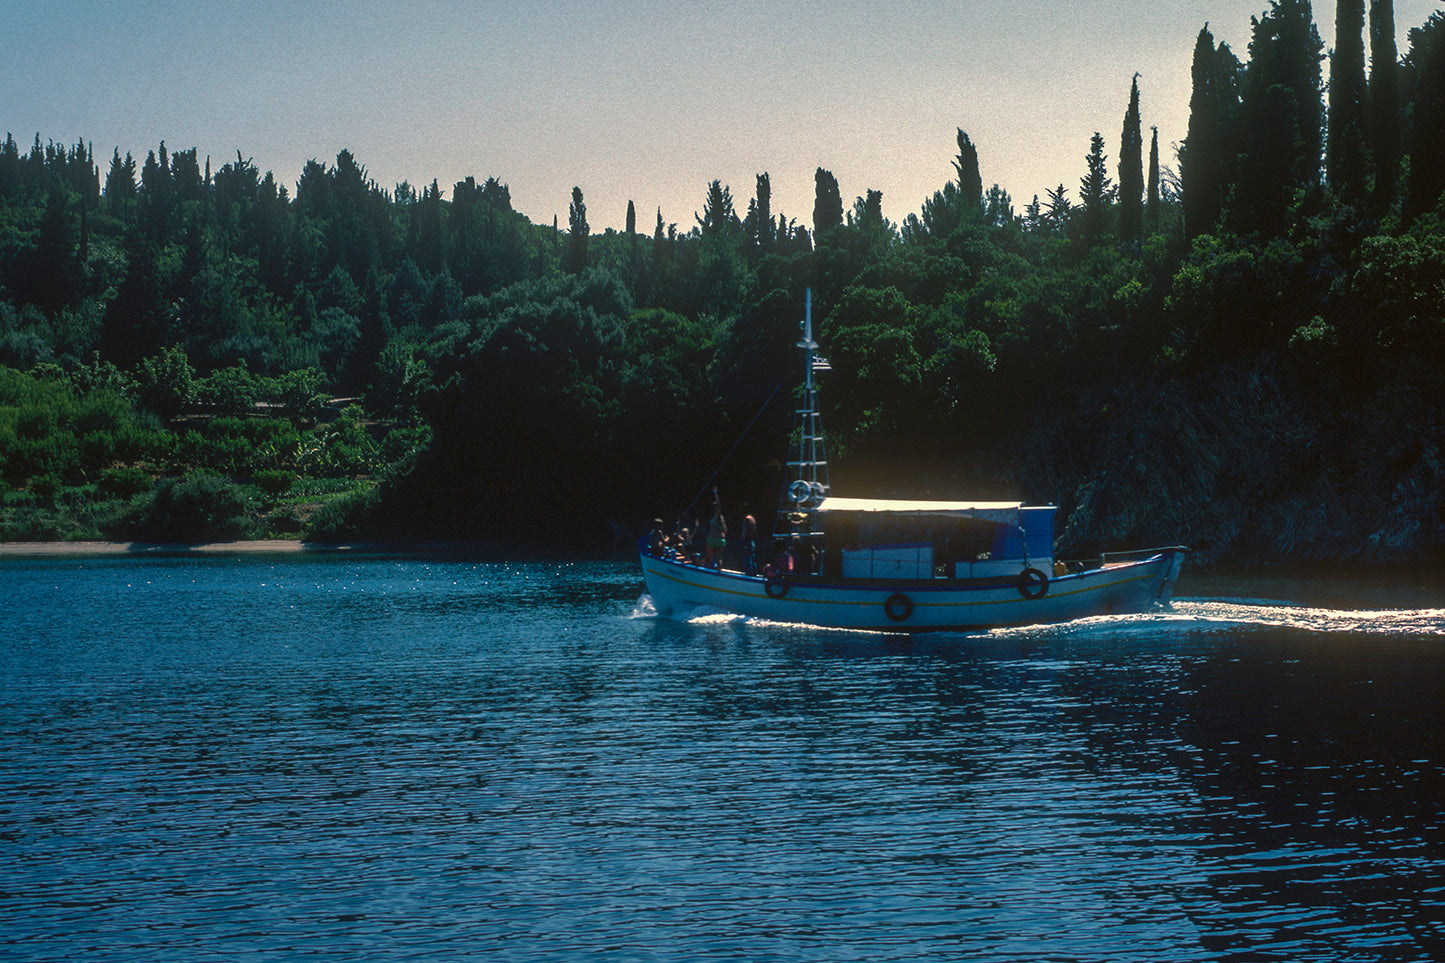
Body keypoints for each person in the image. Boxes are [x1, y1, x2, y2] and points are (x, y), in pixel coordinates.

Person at [704, 487, 727, 570]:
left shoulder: (717, 516)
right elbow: (726, 530)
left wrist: (715, 494)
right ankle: (718, 572)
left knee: (709, 558)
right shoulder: (721, 519)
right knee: (719, 559)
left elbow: (718, 505)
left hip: (713, 539)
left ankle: (707, 572)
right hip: (720, 540)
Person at [740, 502, 758, 576]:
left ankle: (749, 575)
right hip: (752, 541)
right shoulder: (752, 518)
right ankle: (754, 573)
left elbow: (746, 532)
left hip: (747, 541)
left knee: (747, 559)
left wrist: (744, 542)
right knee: (752, 558)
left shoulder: (747, 519)